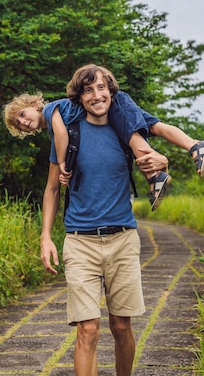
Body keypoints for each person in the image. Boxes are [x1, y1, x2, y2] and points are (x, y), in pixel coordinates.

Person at [39, 64, 169, 376]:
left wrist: (164, 160)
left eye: (101, 88)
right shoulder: (70, 133)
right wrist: (45, 237)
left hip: (122, 239)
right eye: (88, 90)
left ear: (111, 92)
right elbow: (53, 188)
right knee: (87, 329)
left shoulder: (125, 130)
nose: (96, 95)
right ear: (79, 98)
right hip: (80, 242)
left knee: (121, 327)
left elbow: (157, 167)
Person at [3, 84, 204, 211]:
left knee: (133, 134)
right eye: (19, 124)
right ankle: (195, 145)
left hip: (112, 104)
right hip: (116, 102)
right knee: (155, 126)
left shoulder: (49, 109)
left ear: (33, 105)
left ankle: (155, 176)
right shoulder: (53, 116)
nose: (23, 122)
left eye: (22, 115)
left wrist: (64, 165)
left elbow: (61, 134)